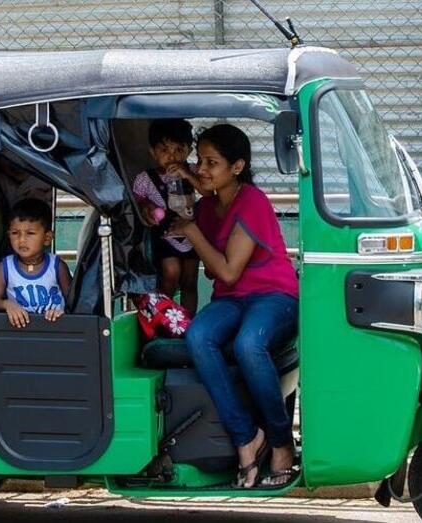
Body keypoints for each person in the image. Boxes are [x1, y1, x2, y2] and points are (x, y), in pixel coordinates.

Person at [167, 124, 299, 489]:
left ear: (237, 167)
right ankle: (245, 436)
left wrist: (191, 232)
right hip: (232, 299)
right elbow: (217, 271)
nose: (202, 169)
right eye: (199, 161)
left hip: (275, 296)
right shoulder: (208, 207)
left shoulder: (253, 200)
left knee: (248, 344)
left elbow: (226, 268)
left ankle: (281, 441)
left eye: (212, 162)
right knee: (198, 336)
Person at [131, 119, 203, 314]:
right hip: (164, 234)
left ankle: (188, 322)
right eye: (164, 150)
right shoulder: (145, 179)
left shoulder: (195, 172)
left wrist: (187, 175)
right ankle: (165, 318)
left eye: (178, 150)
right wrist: (146, 206)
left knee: (189, 281)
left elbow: (207, 191)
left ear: (188, 151)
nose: (171, 156)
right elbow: (137, 200)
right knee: (171, 274)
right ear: (152, 152)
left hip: (192, 235)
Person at [0, 198, 72, 328]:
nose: (22, 240)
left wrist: (61, 312)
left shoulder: (57, 266)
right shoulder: (6, 267)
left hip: (54, 329)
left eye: (30, 233)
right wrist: (7, 304)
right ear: (8, 235)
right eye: (15, 233)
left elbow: (73, 302)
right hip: (20, 332)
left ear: (47, 238)